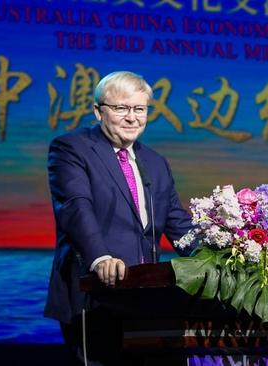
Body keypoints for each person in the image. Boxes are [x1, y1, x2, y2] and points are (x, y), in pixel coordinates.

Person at [44, 71, 195, 365]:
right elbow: (76, 207)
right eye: (121, 108)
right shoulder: (72, 148)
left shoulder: (155, 162)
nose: (132, 118)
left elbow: (178, 224)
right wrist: (100, 258)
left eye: (139, 109)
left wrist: (223, 260)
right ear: (98, 111)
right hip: (95, 294)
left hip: (147, 300)